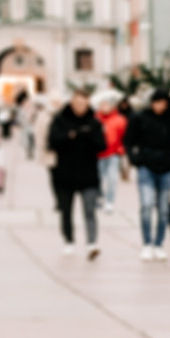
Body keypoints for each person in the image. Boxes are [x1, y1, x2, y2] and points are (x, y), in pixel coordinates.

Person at [122, 88, 170, 260]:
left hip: (166, 168)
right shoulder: (140, 117)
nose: (159, 107)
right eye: (156, 102)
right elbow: (128, 140)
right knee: (147, 204)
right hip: (146, 167)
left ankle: (158, 244)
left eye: (163, 103)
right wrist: (135, 159)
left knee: (164, 209)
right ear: (151, 102)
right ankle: (147, 244)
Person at [46, 89, 105, 258]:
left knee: (89, 210)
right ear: (71, 102)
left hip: (88, 175)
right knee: (66, 210)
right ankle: (69, 241)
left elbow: (102, 145)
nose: (80, 106)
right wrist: (70, 135)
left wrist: (89, 136)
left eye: (83, 103)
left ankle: (92, 243)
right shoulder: (60, 120)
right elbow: (52, 141)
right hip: (65, 174)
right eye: (77, 102)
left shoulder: (94, 122)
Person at [94, 91, 126, 211]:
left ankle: (110, 201)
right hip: (98, 154)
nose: (105, 107)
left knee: (112, 179)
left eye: (107, 104)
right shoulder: (96, 118)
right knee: (98, 178)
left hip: (113, 154)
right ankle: (99, 198)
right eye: (103, 105)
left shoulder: (119, 120)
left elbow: (124, 136)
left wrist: (120, 149)